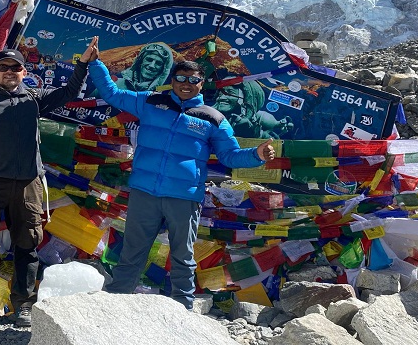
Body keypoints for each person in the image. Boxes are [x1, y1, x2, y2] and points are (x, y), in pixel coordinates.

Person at [85, 36, 275, 309]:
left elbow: (228, 155)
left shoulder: (212, 118)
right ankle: (116, 302)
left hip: (184, 197)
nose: (186, 85)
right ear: (172, 80)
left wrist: (256, 155)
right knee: (132, 252)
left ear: (201, 84)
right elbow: (112, 94)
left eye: (193, 80)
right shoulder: (149, 102)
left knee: (183, 255)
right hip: (144, 192)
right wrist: (96, 64)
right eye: (181, 78)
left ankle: (183, 310)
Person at [0, 41, 97, 330]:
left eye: (16, 67)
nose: (10, 72)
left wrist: (83, 64)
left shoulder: (34, 99)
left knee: (28, 243)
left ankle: (23, 305)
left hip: (28, 183)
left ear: (24, 72)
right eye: (4, 67)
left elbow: (70, 92)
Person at [212, 79, 295, 139]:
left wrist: (254, 133)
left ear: (247, 100)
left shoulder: (262, 121)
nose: (222, 97)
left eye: (229, 93)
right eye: (220, 94)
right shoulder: (206, 115)